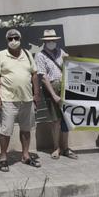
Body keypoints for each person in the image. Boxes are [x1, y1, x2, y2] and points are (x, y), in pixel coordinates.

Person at [0, 29, 41, 172]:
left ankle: (25, 155)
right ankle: (3, 158)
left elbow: (34, 74)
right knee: (6, 130)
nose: (13, 41)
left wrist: (36, 94)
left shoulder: (27, 54)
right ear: (7, 40)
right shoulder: (1, 55)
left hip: (27, 99)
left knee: (26, 129)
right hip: (8, 99)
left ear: (20, 38)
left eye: (16, 38)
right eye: (10, 38)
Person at [35, 29, 77, 160]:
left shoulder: (61, 52)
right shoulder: (40, 55)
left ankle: (66, 147)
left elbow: (71, 66)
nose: (51, 42)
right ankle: (56, 147)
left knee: (66, 119)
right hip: (52, 87)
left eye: (53, 40)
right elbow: (43, 77)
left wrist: (69, 59)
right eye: (49, 40)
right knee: (55, 120)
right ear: (45, 42)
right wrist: (53, 94)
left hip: (65, 86)